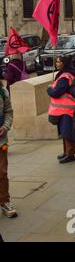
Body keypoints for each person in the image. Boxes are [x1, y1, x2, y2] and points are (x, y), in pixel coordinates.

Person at [47, 56, 75, 164]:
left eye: (59, 62)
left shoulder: (64, 77)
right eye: (56, 62)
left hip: (66, 109)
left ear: (64, 63)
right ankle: (66, 151)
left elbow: (56, 92)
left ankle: (70, 154)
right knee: (64, 131)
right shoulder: (66, 73)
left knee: (67, 132)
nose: (57, 64)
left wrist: (49, 89)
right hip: (65, 109)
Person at [0, 80, 16, 218]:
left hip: (0, 141)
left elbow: (8, 111)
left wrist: (5, 126)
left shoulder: (2, 91)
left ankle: (4, 201)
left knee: (1, 173)